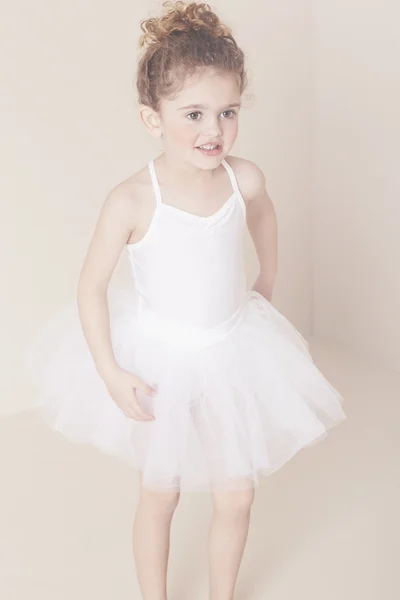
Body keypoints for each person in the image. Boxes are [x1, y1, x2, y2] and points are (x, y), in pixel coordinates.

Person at [25, 2, 346, 599]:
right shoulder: (131, 199)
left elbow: (265, 219)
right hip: (162, 357)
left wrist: (267, 281)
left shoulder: (242, 179)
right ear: (153, 118)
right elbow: (90, 286)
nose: (213, 131)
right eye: (194, 114)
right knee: (162, 491)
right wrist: (109, 369)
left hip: (232, 350)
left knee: (238, 494)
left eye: (227, 113)